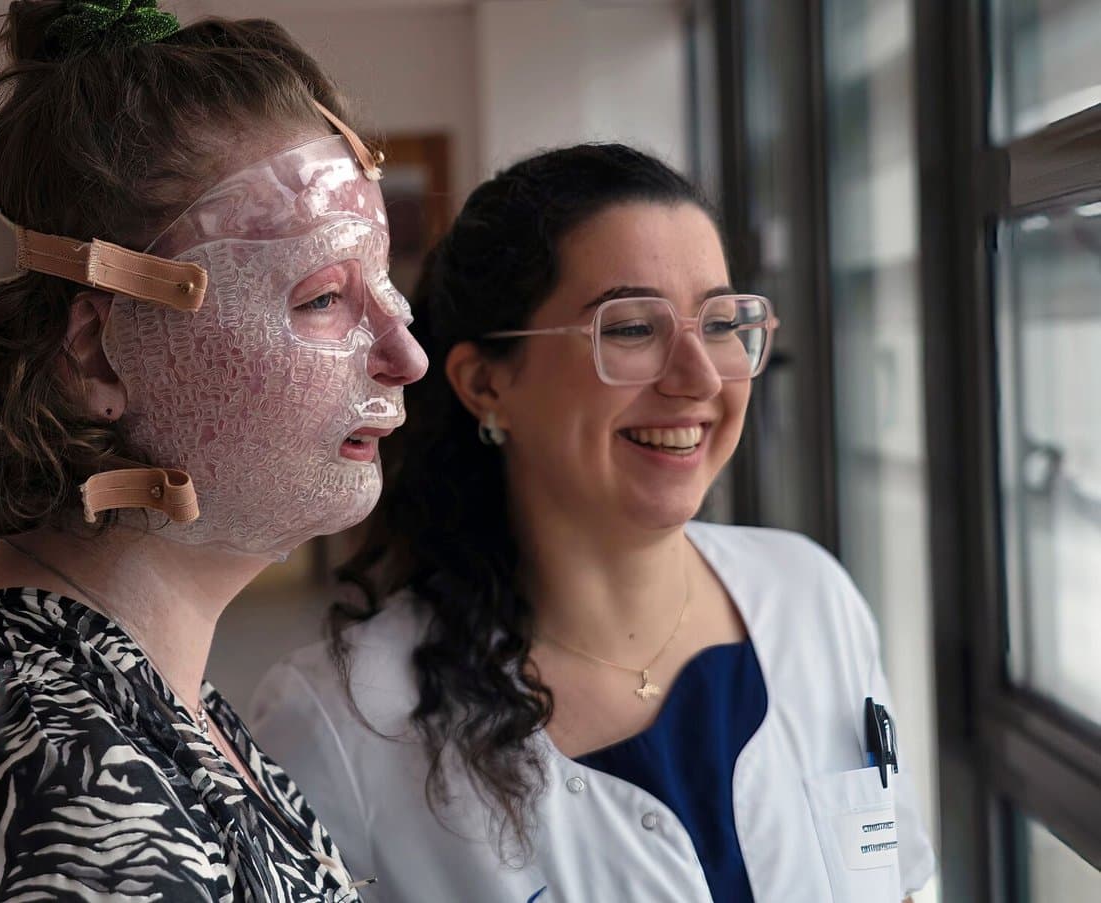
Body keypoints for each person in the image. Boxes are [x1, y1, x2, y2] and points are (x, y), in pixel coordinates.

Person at [0, 1, 426, 899]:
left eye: (384, 285)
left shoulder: (122, 692)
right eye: (323, 299)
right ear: (95, 350)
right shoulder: (71, 786)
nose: (404, 353)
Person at [249, 144, 935, 902]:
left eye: (718, 322)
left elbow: (897, 877)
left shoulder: (811, 595)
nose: (700, 378)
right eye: (632, 328)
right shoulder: (346, 725)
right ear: (486, 384)